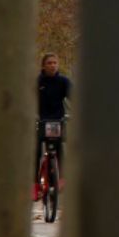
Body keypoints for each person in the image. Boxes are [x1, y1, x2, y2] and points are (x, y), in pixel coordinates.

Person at [35, 53, 72, 187]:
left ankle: (61, 178)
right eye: (49, 63)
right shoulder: (36, 82)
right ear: (43, 66)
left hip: (57, 120)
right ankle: (34, 183)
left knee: (59, 147)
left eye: (55, 63)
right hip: (40, 120)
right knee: (36, 149)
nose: (52, 65)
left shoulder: (63, 82)